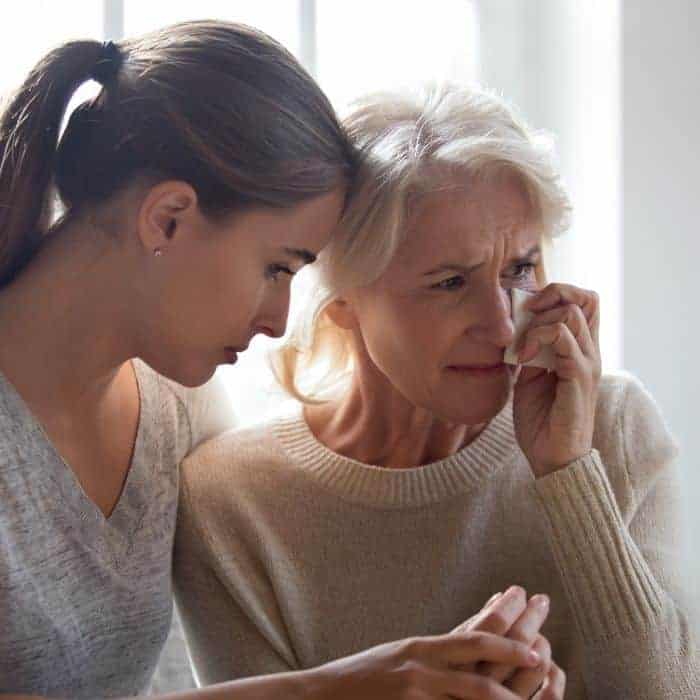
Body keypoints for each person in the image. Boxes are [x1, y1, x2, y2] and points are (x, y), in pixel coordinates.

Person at [0, 22, 550, 700]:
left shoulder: (177, 408)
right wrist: (333, 691)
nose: (280, 319)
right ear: (168, 218)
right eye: (276, 267)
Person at [174, 84, 699, 699]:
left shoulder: (612, 423)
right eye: (450, 282)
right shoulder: (230, 501)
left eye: (520, 269)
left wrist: (568, 471)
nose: (503, 323)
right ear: (342, 301)